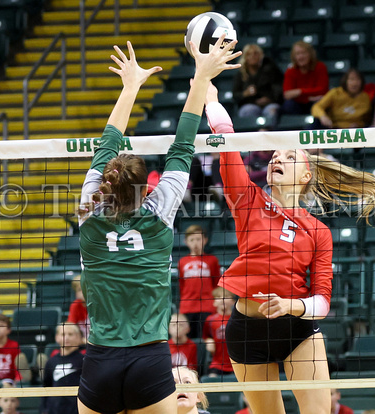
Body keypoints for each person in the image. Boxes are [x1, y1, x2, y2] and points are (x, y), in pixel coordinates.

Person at [75, 37, 241, 414]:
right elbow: (183, 146)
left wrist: (129, 86)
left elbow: (106, 146)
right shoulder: (160, 211)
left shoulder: (87, 209)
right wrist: (201, 77)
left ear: (107, 184)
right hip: (150, 359)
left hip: (99, 357)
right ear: (144, 187)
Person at [204, 82, 375, 414]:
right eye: (275, 155)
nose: (278, 158)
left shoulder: (318, 231)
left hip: (298, 330)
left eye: (289, 156)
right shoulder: (248, 200)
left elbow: (322, 302)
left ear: (305, 176)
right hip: (248, 332)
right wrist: (209, 93)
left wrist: (290, 305)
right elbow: (226, 140)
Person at [178, 224, 221, 339]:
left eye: (198, 239)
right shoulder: (182, 262)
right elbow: (182, 286)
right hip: (188, 307)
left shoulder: (212, 260)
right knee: (189, 340)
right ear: (186, 242)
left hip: (207, 307)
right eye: (192, 240)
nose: (195, 243)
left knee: (206, 339)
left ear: (205, 240)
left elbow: (217, 284)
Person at [233, 43, 283, 122]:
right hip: (249, 104)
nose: (253, 56)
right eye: (249, 54)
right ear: (245, 57)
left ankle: (265, 132)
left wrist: (269, 99)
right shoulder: (241, 74)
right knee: (249, 110)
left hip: (270, 103)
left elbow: (278, 88)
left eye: (255, 53)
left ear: (261, 55)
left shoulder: (271, 69)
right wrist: (245, 94)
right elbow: (235, 95)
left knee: (272, 110)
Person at [42, 323, 85, 414]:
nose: (67, 337)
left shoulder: (84, 361)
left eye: (70, 334)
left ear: (78, 337)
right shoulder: (51, 362)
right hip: (55, 409)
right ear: (57, 337)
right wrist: (44, 409)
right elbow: (46, 387)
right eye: (63, 334)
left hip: (76, 409)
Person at [281, 41, 329, 115]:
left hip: (316, 102)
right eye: (297, 54)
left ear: (310, 54)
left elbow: (322, 90)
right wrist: (308, 98)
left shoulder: (320, 67)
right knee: (288, 105)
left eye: (303, 53)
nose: (301, 57)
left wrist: (299, 91)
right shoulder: (290, 71)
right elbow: (287, 94)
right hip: (299, 104)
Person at [202, 287, 235, 377]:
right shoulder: (210, 320)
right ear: (214, 302)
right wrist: (208, 340)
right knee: (211, 380)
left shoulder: (238, 319)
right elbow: (205, 336)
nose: (222, 300)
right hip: (218, 364)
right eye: (219, 297)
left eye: (226, 297)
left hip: (237, 364)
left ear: (233, 301)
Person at [66, 274, 89, 339]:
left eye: (85, 288)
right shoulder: (75, 305)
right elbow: (70, 327)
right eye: (79, 290)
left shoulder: (98, 304)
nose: (83, 292)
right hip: (82, 342)